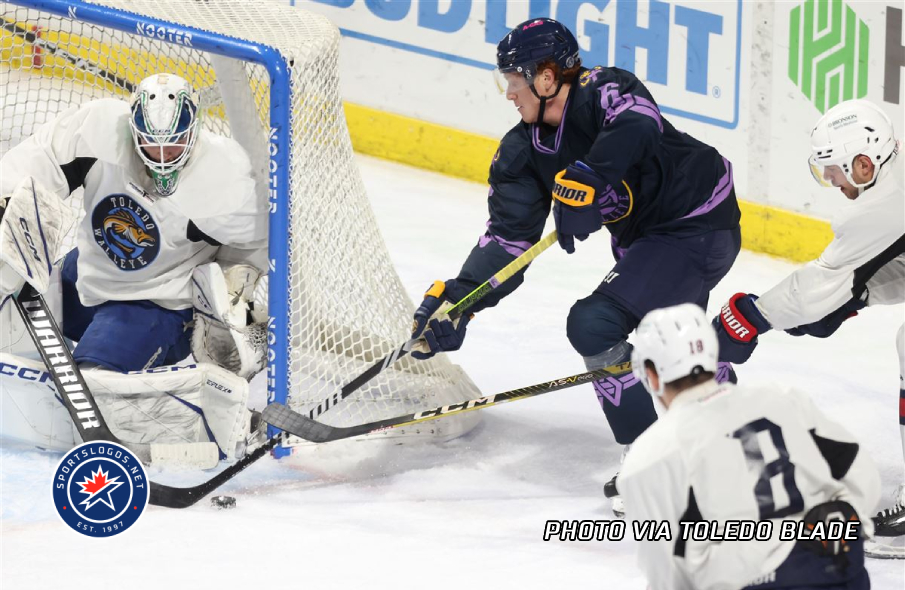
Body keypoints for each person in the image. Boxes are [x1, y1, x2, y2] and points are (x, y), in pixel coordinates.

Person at [408, 18, 741, 510]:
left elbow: (638, 125)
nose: (509, 93)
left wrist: (592, 174)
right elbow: (508, 239)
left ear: (546, 78)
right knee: (663, 339)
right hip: (642, 242)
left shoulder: (604, 89)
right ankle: (723, 418)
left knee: (595, 322)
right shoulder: (521, 151)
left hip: (697, 218)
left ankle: (652, 456)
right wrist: (463, 298)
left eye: (515, 81)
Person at [0, 73, 268, 461]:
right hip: (84, 277)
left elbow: (257, 243)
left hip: (152, 305)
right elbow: (35, 164)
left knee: (84, 394)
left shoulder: (221, 180)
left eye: (173, 143)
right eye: (150, 143)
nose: (161, 156)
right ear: (132, 125)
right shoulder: (96, 131)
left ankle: (208, 415)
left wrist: (230, 291)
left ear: (192, 132)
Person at [712, 99, 904, 554]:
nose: (833, 182)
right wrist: (854, 298)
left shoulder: (880, 207)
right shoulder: (894, 176)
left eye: (836, 171)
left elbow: (817, 285)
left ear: (864, 161)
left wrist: (750, 317)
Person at [620, 303, 880, 590]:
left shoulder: (650, 454)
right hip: (839, 568)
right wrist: (849, 523)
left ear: (651, 374)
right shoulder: (781, 398)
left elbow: (667, 572)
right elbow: (857, 468)